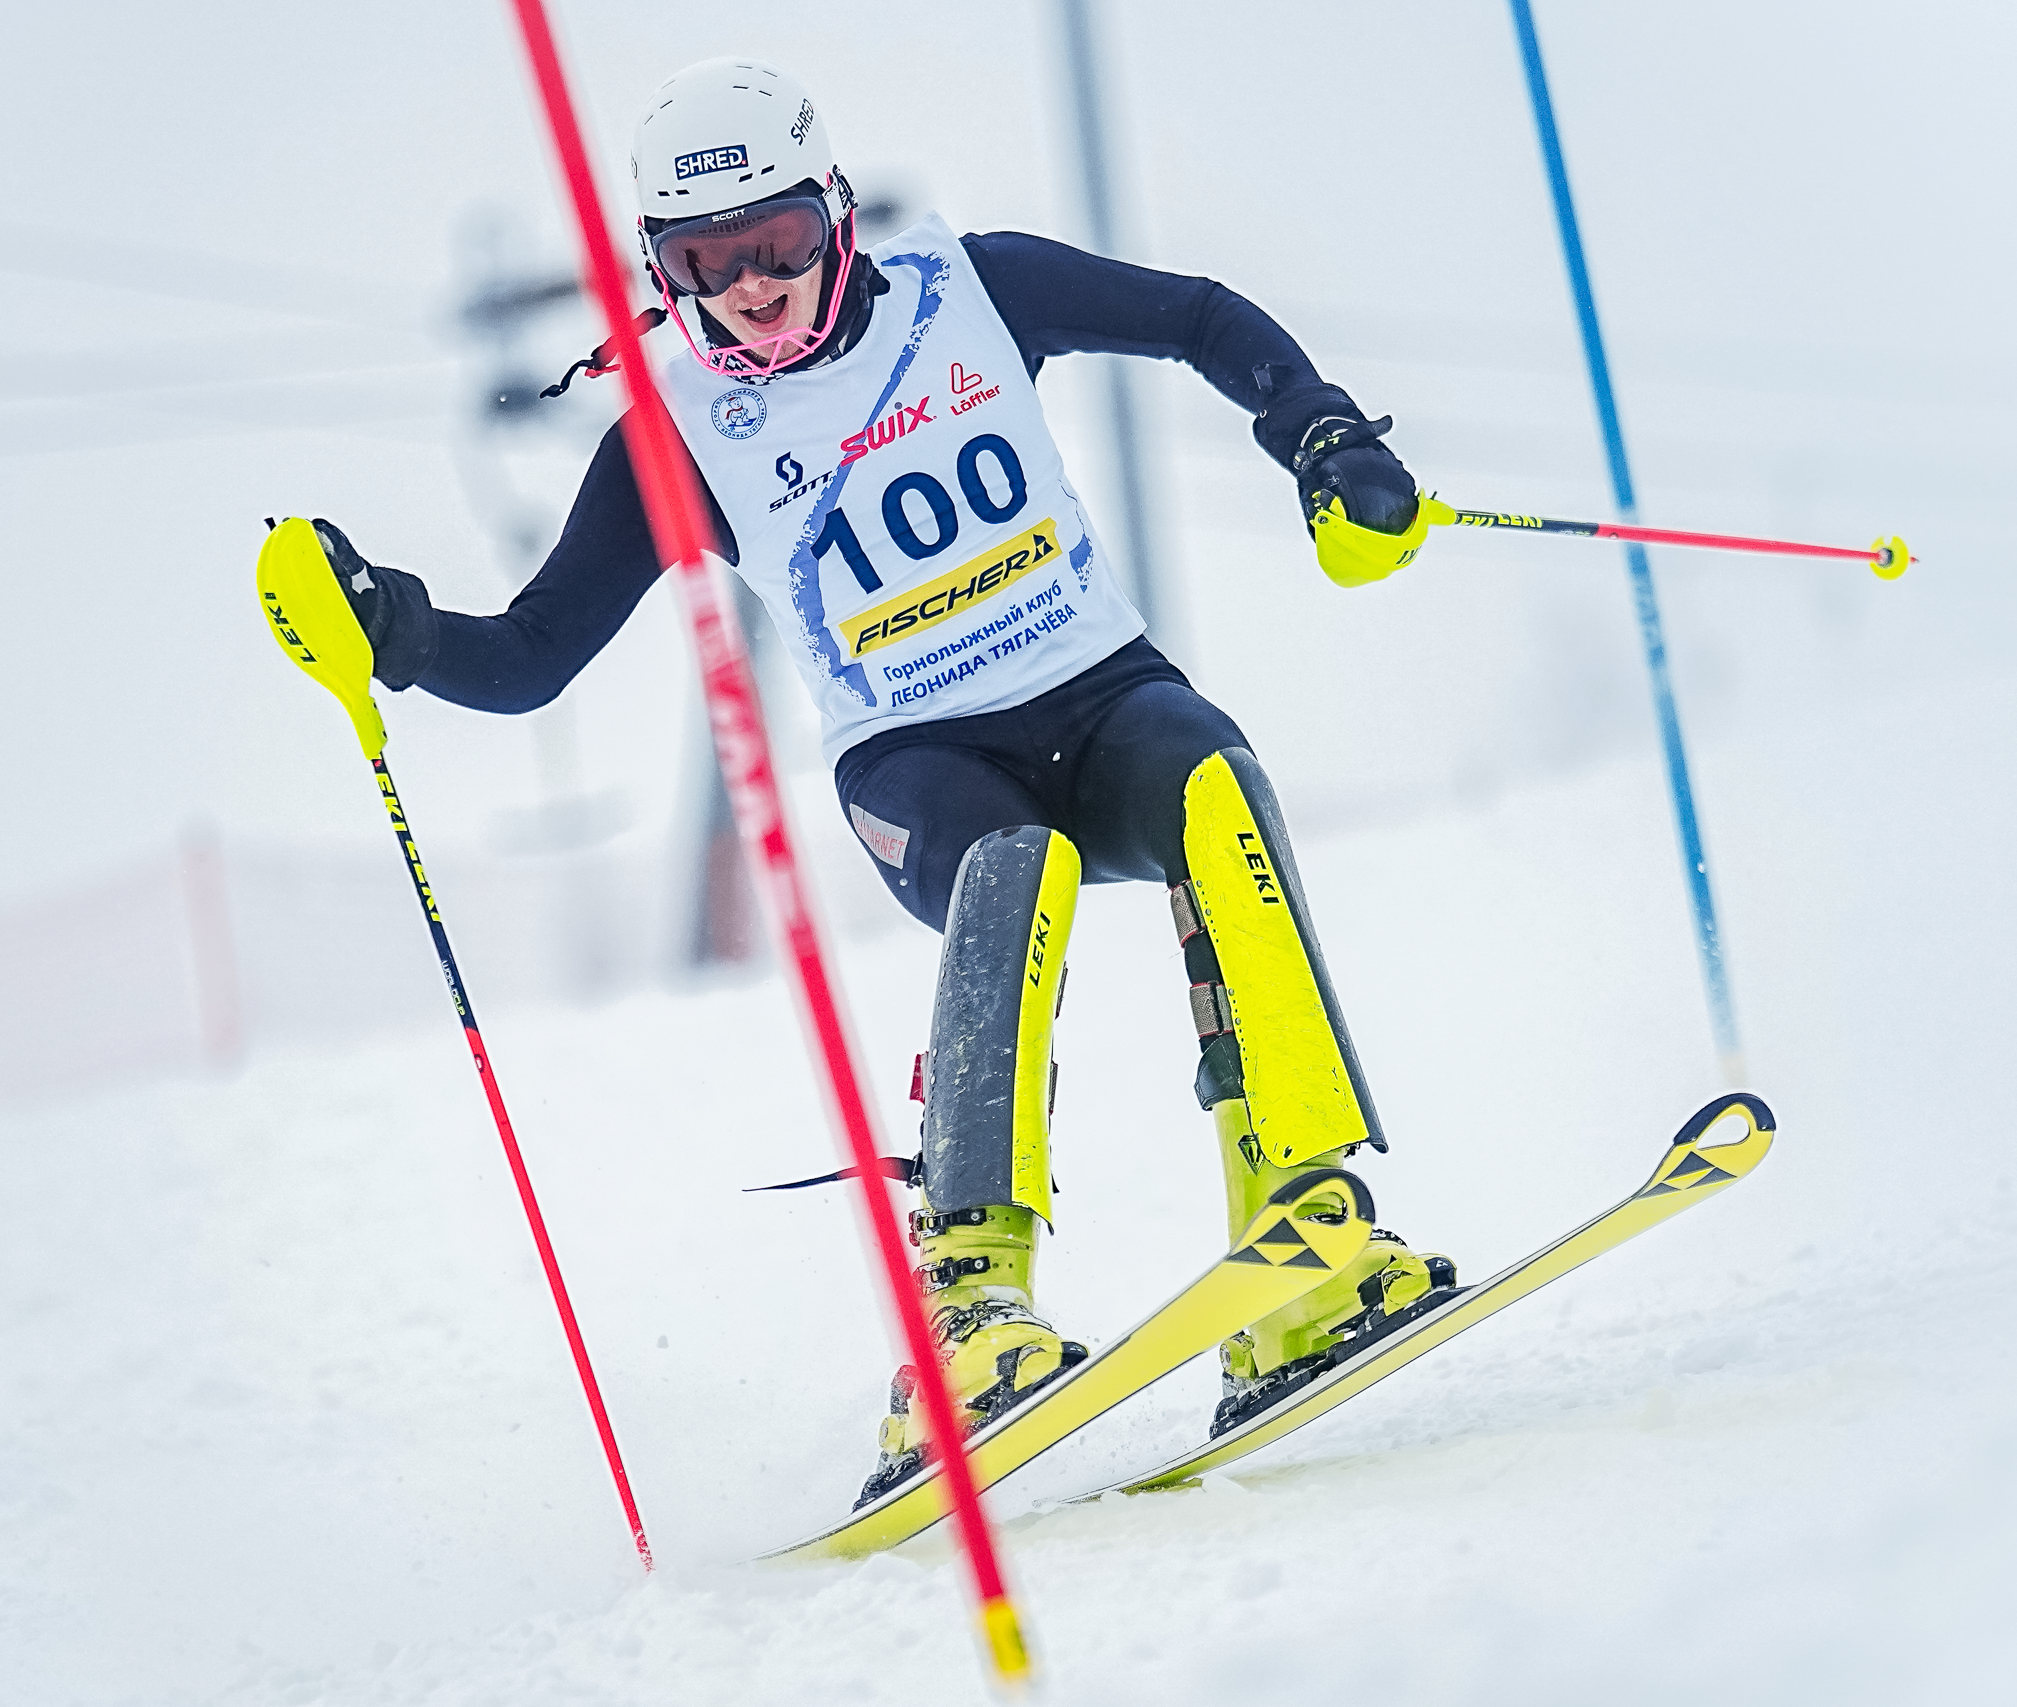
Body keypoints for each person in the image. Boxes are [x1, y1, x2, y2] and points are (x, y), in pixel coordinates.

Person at [313, 57, 1458, 1505]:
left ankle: (1302, 1235)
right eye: (704, 263)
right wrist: (390, 631)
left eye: (778, 243)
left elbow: (1196, 317)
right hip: (920, 755)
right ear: (664, 274)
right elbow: (533, 654)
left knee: (1218, 784)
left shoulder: (971, 289)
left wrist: (1320, 431)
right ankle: (970, 1314)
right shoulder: (678, 435)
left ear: (835, 213)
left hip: (1099, 689)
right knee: (1011, 867)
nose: (751, 288)